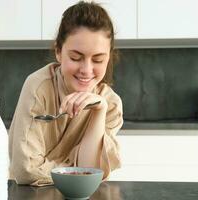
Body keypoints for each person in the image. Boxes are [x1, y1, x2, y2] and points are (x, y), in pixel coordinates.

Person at [9, 1, 123, 186]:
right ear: (58, 52)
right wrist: (75, 170)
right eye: (76, 58)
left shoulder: (111, 104)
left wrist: (99, 111)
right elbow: (26, 170)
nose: (86, 70)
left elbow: (91, 171)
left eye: (98, 59)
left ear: (108, 57)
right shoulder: (38, 87)